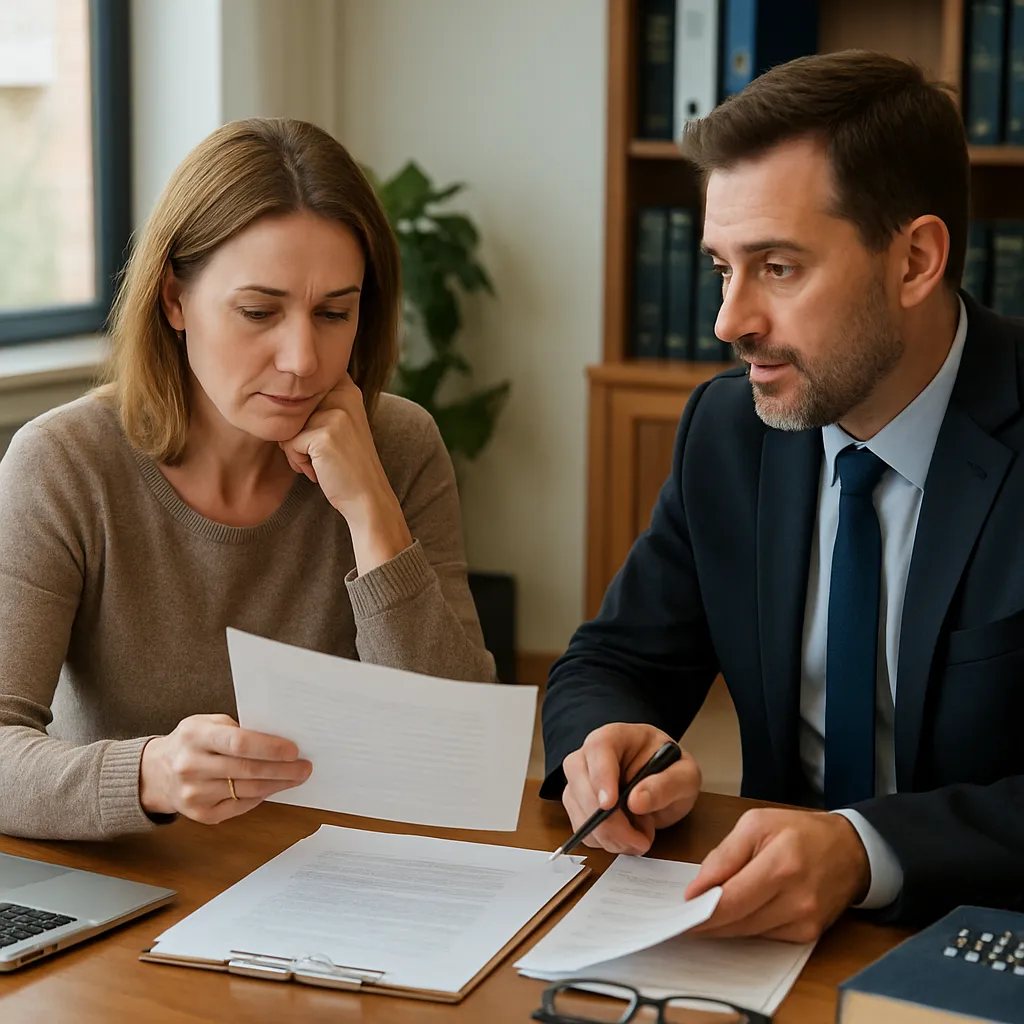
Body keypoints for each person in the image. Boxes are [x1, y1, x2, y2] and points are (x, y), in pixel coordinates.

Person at [542, 51, 1024, 938]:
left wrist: (863, 849)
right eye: (723, 267)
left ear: (915, 259)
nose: (730, 322)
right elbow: (611, 663)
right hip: (760, 934)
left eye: (779, 266)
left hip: (979, 939)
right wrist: (605, 745)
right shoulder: (727, 433)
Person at [0, 118, 495, 842]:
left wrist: (371, 513)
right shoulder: (64, 465)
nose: (301, 357)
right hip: (141, 882)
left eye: (335, 312)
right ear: (174, 299)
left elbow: (461, 753)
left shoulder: (400, 444)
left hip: (341, 880)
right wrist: (153, 774)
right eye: (259, 311)